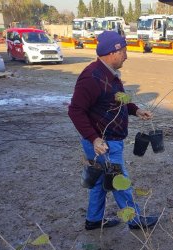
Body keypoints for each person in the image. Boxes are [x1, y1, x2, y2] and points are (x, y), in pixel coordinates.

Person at [68, 31, 159, 231]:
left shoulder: (108, 75)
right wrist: (93, 139)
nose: (126, 55)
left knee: (101, 181)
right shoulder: (92, 77)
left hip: (109, 141)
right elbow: (75, 110)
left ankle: (93, 220)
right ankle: (134, 219)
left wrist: (136, 110)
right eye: (124, 51)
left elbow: (116, 100)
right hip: (104, 144)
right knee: (120, 181)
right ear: (112, 52)